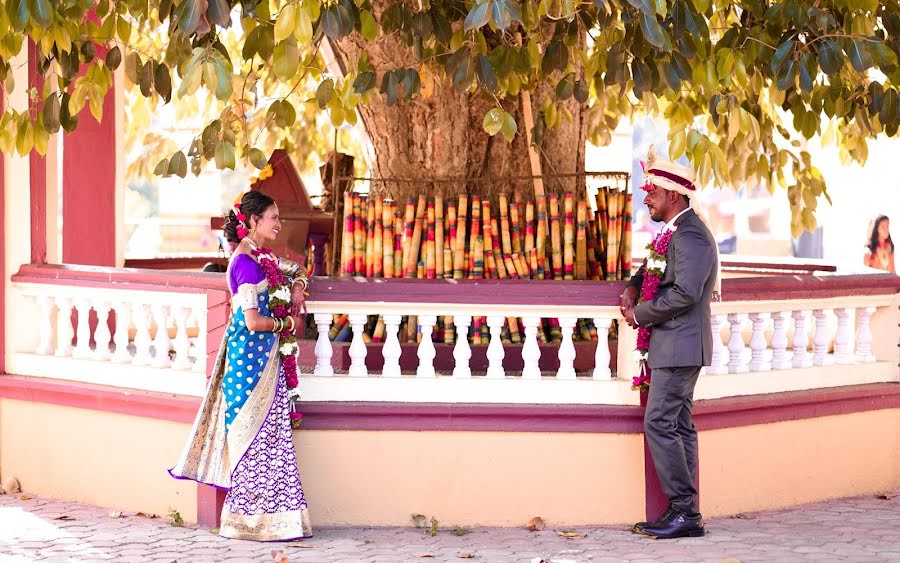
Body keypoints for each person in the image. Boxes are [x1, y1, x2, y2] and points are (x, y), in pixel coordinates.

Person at [170, 190, 313, 541]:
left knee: (273, 442)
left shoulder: (262, 257)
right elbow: (252, 322)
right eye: (273, 218)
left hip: (267, 362)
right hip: (248, 369)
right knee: (253, 443)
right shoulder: (246, 264)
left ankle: (280, 521)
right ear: (253, 222)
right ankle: (245, 523)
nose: (280, 224)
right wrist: (288, 325)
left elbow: (296, 267)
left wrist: (297, 287)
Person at [619, 146, 718, 540]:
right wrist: (631, 288)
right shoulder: (675, 231)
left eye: (652, 193)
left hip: (681, 346)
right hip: (674, 345)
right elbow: (652, 270)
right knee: (676, 425)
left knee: (661, 423)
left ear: (672, 195)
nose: (646, 199)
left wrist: (639, 315)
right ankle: (685, 512)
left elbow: (685, 294)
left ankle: (684, 512)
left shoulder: (691, 235)